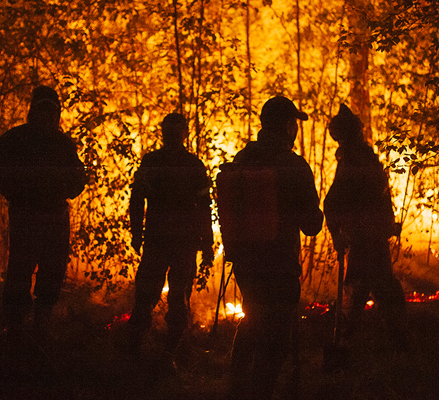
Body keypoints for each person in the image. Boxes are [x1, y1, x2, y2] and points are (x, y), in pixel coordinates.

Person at [222, 96, 324, 400]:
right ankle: (261, 391)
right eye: (293, 122)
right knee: (277, 334)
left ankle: (236, 386)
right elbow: (311, 224)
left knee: (253, 317)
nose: (295, 128)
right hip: (280, 262)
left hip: (245, 261)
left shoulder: (242, 159)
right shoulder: (293, 165)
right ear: (286, 126)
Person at [0, 85, 88, 340]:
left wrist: (69, 189)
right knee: (21, 268)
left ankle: (40, 324)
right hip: (27, 214)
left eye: (51, 111)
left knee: (52, 269)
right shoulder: (15, 140)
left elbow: (78, 176)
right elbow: (0, 174)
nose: (47, 116)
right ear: (33, 112)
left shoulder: (62, 144)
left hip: (55, 215)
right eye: (42, 110)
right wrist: (19, 195)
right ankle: (15, 325)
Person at [127, 112, 214, 361]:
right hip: (170, 240)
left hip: (171, 241)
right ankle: (158, 351)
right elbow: (137, 199)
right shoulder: (187, 165)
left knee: (171, 296)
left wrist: (206, 242)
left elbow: (205, 206)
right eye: (171, 132)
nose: (174, 136)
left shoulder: (177, 164)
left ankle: (166, 352)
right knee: (158, 294)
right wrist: (136, 232)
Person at [323, 103, 407, 352]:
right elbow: (337, 201)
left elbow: (334, 202)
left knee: (364, 287)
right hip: (369, 236)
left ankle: (349, 341)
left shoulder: (355, 160)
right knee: (372, 287)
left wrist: (336, 231)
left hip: (365, 237)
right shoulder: (360, 159)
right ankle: (388, 341)